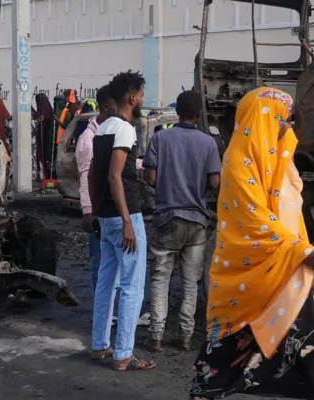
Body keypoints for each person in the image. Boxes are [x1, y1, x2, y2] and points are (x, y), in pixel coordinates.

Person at [189, 87, 314, 400]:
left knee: (299, 336)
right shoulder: (239, 162)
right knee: (228, 343)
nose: (287, 127)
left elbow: (291, 212)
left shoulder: (279, 161)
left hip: (284, 268)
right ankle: (204, 393)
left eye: (288, 120)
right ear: (262, 118)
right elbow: (253, 219)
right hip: (246, 272)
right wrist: (302, 251)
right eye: (281, 119)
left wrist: (303, 252)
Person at [142, 91, 221, 353]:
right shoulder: (208, 143)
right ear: (198, 115)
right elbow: (214, 183)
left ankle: (155, 337)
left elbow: (151, 179)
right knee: (190, 284)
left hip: (166, 219)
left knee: (161, 279)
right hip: (197, 221)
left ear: (178, 112)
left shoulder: (161, 137)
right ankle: (185, 337)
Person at [88, 70, 154, 371]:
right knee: (132, 286)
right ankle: (124, 354)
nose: (142, 99)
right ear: (131, 97)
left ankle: (100, 345)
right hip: (126, 216)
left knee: (106, 282)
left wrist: (97, 210)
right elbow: (115, 175)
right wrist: (128, 221)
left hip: (106, 217)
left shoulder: (102, 128)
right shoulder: (125, 129)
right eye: (141, 95)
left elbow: (92, 174)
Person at [76, 85, 116, 292]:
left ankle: (110, 308)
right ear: (108, 107)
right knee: (99, 261)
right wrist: (88, 211)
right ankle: (102, 306)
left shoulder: (110, 132)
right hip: (97, 212)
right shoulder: (88, 141)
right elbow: (85, 177)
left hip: (111, 210)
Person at [32, 94, 54, 180]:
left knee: (42, 155)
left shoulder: (41, 113)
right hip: (47, 139)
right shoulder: (50, 110)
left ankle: (45, 175)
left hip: (43, 138)